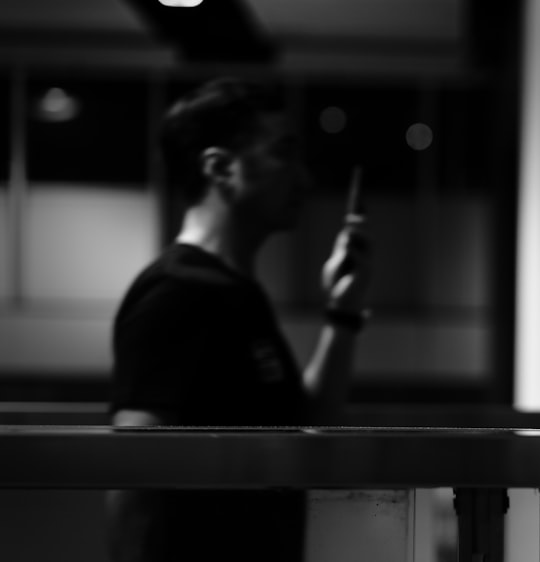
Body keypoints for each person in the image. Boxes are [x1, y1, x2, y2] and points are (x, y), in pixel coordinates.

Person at [106, 76, 372, 562]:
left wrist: (342, 313)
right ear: (220, 168)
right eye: (282, 153)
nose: (304, 179)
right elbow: (132, 481)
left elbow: (307, 425)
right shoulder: (177, 292)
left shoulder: (237, 294)